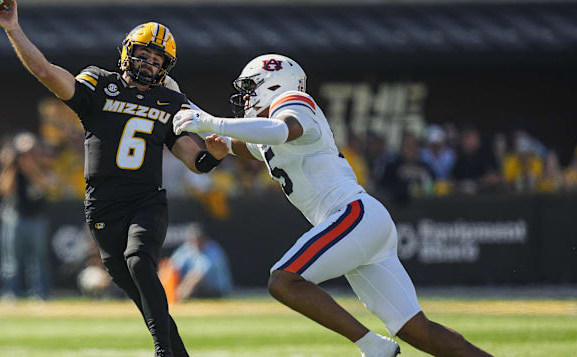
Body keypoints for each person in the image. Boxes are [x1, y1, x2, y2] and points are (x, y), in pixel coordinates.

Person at [173, 53, 492, 357]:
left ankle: (372, 345)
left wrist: (211, 122)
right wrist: (181, 103)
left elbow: (281, 130)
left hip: (352, 214)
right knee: (416, 330)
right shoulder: (264, 132)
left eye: (249, 88)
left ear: (273, 84)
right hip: (362, 222)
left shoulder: (293, 104)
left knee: (283, 280)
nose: (244, 98)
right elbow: (237, 143)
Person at [0, 0, 225, 357]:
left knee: (141, 261)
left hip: (146, 200)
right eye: (143, 54)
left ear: (165, 68)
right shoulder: (100, 83)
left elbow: (196, 160)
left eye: (157, 60)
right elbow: (48, 73)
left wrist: (214, 155)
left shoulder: (170, 102)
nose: (148, 63)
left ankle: (162, 351)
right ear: (128, 52)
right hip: (103, 206)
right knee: (140, 292)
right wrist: (13, 28)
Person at [0, 132, 52, 301]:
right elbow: (2, 190)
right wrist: (9, 166)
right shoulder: (12, 168)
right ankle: (10, 294)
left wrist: (30, 167)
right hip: (14, 216)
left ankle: (40, 294)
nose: (28, 155)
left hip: (37, 217)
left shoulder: (42, 165)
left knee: (39, 258)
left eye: (32, 150)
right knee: (10, 260)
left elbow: (46, 186)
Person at [165, 223, 233, 301]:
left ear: (204, 238)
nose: (196, 242)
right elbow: (171, 266)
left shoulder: (213, 251)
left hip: (218, 292)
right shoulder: (188, 247)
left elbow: (197, 276)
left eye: (198, 239)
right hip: (194, 289)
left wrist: (179, 294)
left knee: (194, 279)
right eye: (193, 239)